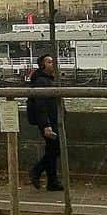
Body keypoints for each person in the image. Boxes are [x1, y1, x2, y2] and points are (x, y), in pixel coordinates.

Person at [26, 53, 63, 192]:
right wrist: (46, 125)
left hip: (52, 120)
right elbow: (40, 105)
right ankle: (36, 171)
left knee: (52, 149)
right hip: (48, 122)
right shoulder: (41, 81)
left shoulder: (48, 79)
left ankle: (52, 181)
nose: (52, 64)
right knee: (55, 148)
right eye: (49, 62)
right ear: (42, 65)